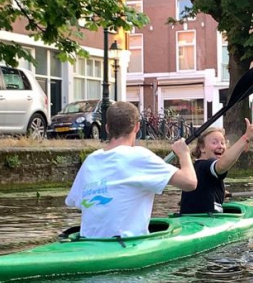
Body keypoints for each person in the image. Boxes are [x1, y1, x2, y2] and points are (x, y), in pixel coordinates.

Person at [65, 102, 197, 238]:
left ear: (107, 128)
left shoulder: (91, 159)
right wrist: (184, 154)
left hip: (89, 242)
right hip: (124, 245)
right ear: (137, 127)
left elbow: (74, 202)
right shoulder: (140, 156)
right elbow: (190, 182)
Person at [178, 118, 253, 214]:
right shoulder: (206, 165)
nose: (220, 146)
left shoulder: (194, 168)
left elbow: (201, 190)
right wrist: (246, 138)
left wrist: (219, 192)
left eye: (222, 142)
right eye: (214, 142)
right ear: (202, 148)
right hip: (204, 222)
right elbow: (222, 165)